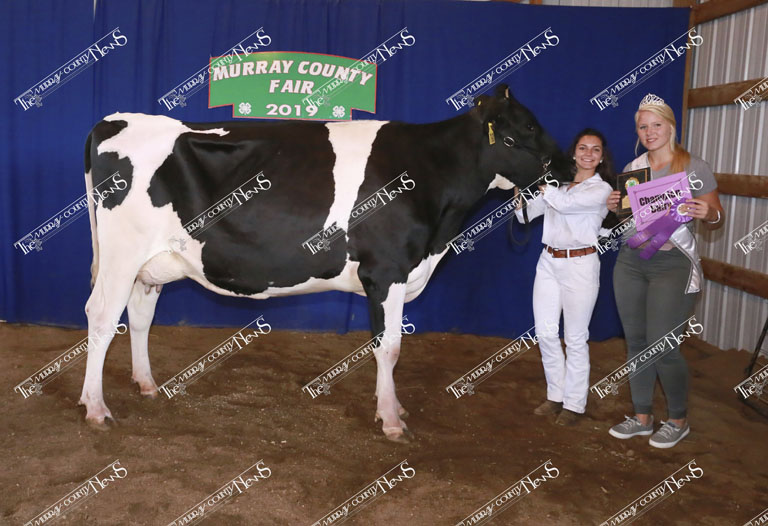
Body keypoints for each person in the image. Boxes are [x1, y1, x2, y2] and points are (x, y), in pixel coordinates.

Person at [606, 93, 725, 448]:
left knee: (663, 345)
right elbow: (629, 219)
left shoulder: (693, 167)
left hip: (672, 264)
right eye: (643, 127)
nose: (650, 132)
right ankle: (642, 416)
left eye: (656, 124)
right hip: (631, 262)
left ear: (671, 126)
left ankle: (678, 419)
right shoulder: (633, 168)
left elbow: (717, 215)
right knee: (636, 342)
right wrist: (614, 206)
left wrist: (708, 213)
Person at [514, 128, 614, 425]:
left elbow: (565, 204)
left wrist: (542, 181)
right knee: (545, 333)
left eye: (595, 149)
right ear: (574, 153)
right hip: (548, 261)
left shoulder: (602, 190)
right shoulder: (560, 186)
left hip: (580, 264)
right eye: (583, 148)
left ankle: (574, 404)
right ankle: (555, 395)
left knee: (575, 338)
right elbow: (525, 215)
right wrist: (519, 188)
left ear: (601, 157)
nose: (588, 154)